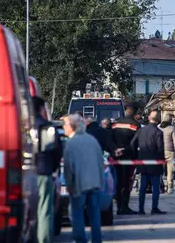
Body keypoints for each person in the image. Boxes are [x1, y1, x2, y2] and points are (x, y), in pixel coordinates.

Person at [62, 113, 104, 243]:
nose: (64, 127)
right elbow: (100, 162)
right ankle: (97, 239)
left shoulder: (71, 143)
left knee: (76, 213)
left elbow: (68, 166)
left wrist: (68, 184)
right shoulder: (92, 140)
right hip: (95, 183)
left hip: (79, 184)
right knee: (94, 215)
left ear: (72, 126)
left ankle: (80, 239)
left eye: (65, 124)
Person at [34, 96, 62, 243]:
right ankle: (43, 239)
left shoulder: (20, 126)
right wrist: (53, 168)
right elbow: (56, 150)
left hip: (22, 174)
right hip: (43, 171)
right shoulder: (46, 127)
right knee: (44, 209)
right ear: (40, 109)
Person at [130, 110, 166, 215]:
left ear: (149, 118)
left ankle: (141, 209)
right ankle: (154, 208)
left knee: (142, 187)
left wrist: (137, 156)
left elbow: (132, 144)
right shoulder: (159, 132)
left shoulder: (141, 130)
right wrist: (161, 161)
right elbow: (160, 149)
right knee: (155, 187)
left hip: (142, 162)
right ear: (158, 120)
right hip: (155, 164)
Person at [112, 102, 140, 215]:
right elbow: (135, 144)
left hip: (115, 157)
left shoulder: (116, 123)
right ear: (134, 111)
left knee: (118, 182)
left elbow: (110, 138)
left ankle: (119, 207)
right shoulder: (135, 125)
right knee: (126, 182)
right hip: (128, 157)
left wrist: (115, 149)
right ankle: (124, 206)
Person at [160, 112, 175, 194]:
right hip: (170, 151)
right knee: (170, 170)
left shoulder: (159, 128)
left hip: (160, 151)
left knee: (160, 170)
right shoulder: (172, 128)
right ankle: (170, 187)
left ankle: (160, 186)